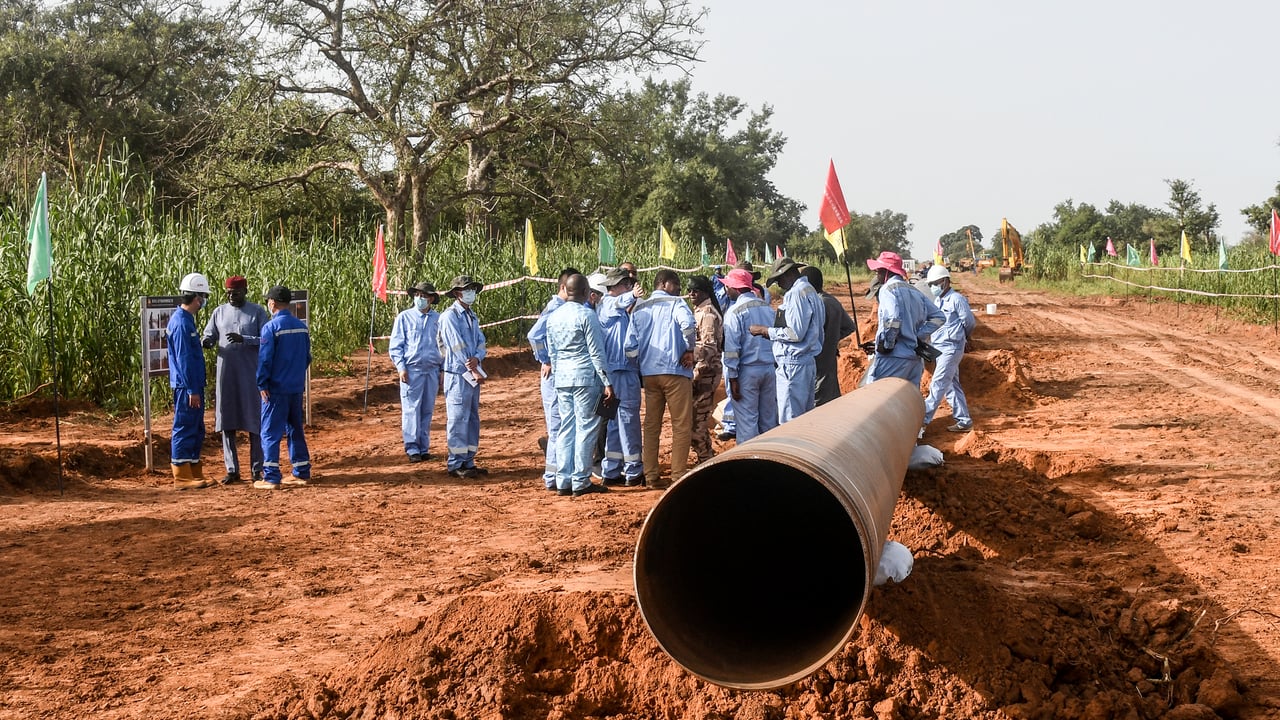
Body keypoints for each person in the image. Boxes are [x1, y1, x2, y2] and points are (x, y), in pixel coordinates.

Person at [625, 269, 696, 488]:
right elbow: (688, 326)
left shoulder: (640, 308)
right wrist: (689, 349)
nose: (679, 290)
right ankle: (677, 476)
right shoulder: (676, 304)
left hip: (650, 375)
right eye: (677, 285)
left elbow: (630, 347)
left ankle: (652, 476)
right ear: (664, 284)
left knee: (652, 425)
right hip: (675, 371)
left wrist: (642, 362)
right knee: (681, 425)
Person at [546, 274, 615, 497]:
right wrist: (607, 381)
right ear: (586, 292)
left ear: (566, 290)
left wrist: (557, 375)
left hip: (563, 379)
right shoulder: (587, 315)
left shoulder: (553, 317)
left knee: (566, 427)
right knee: (586, 427)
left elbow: (553, 353)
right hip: (586, 377)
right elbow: (596, 352)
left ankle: (563, 479)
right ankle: (581, 480)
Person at [201, 275, 271, 485]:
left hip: (250, 376)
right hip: (227, 376)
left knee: (254, 423)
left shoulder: (257, 312)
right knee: (227, 422)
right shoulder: (219, 312)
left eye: (236, 293)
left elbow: (267, 339)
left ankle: (257, 469)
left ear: (245, 292)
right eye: (229, 293)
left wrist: (246, 339)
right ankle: (232, 470)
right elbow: (209, 332)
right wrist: (207, 340)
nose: (232, 296)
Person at [750, 257, 824, 423]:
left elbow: (795, 333)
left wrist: (765, 331)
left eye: (779, 280)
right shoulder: (810, 290)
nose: (779, 285)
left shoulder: (796, 294)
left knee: (790, 420)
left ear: (787, 275)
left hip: (793, 365)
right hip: (804, 362)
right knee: (804, 418)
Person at [254, 285, 312, 489]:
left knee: (270, 432)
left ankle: (270, 476)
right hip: (295, 388)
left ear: (272, 303)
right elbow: (307, 358)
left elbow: (265, 360)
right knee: (295, 429)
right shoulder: (301, 327)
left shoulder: (271, 328)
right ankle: (302, 471)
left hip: (275, 390)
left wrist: (262, 383)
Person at [528, 268, 579, 490]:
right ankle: (553, 477)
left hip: (564, 374)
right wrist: (545, 359)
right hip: (554, 375)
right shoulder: (555, 308)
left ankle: (559, 474)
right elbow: (534, 335)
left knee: (564, 426)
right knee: (558, 427)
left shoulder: (567, 307)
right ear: (562, 288)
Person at [864, 251, 945, 389]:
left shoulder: (887, 290)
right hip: (914, 360)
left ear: (886, 272)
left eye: (878, 271)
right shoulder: (914, 291)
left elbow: (893, 318)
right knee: (907, 402)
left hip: (893, 359)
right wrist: (917, 336)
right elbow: (939, 317)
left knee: (879, 399)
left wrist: (888, 344)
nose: (877, 275)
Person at [596, 267, 644, 487]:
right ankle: (633, 471)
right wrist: (632, 296)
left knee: (615, 423)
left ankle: (612, 470)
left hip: (614, 372)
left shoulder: (616, 307)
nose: (630, 287)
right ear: (616, 287)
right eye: (627, 284)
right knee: (628, 421)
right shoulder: (608, 304)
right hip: (622, 372)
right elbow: (619, 303)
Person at [388, 281, 444, 462]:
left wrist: (442, 369)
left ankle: (424, 447)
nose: (420, 299)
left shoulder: (439, 319)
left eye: (424, 296)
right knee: (411, 409)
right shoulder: (404, 318)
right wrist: (401, 367)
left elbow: (444, 346)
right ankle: (412, 448)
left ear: (431, 299)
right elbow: (396, 346)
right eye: (417, 295)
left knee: (427, 410)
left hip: (432, 370)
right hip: (412, 371)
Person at [720, 268, 777, 444]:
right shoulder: (767, 308)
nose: (726, 290)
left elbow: (731, 349)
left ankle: (749, 465)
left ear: (735, 288)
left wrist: (732, 378)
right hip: (769, 369)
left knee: (747, 423)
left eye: (727, 286)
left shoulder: (735, 312)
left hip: (747, 372)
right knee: (769, 420)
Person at [439, 275, 488, 479]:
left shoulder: (471, 316)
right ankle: (456, 462)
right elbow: (456, 345)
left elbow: (481, 341)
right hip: (458, 375)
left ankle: (468, 459)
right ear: (457, 293)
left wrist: (477, 357)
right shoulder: (449, 317)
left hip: (472, 374)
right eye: (467, 290)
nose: (471, 293)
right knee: (458, 419)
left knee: (471, 418)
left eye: (472, 289)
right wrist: (471, 366)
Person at [169, 272, 212, 490]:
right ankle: (182, 476)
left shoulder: (186, 321)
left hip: (192, 385)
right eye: (203, 297)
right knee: (184, 427)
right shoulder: (181, 324)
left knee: (196, 427)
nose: (203, 301)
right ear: (196, 298)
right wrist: (192, 389)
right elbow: (185, 359)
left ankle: (194, 470)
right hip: (187, 387)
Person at [922, 265, 977, 433]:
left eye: (935, 283)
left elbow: (969, 322)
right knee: (951, 384)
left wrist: (963, 337)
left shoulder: (957, 299)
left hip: (952, 346)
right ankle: (964, 420)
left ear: (945, 281)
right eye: (930, 284)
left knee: (938, 383)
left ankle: (922, 419)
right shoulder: (938, 301)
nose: (933, 287)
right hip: (940, 347)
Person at [801, 266, 857, 407]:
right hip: (829, 364)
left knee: (816, 406)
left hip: (816, 365)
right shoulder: (832, 301)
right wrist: (832, 340)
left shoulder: (816, 304)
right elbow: (849, 326)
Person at [687, 275, 723, 464]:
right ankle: (705, 456)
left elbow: (708, 348)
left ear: (705, 292)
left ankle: (705, 459)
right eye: (689, 290)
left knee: (697, 422)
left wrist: (695, 375)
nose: (691, 294)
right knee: (696, 420)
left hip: (705, 374)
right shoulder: (700, 311)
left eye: (695, 290)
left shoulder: (707, 314)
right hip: (703, 372)